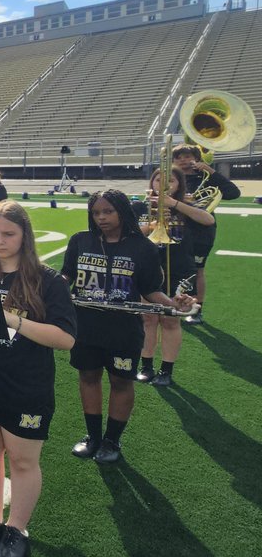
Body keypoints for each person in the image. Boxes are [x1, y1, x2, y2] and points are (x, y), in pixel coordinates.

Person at [0, 201, 77, 557]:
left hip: (26, 385)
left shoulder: (48, 280)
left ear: (25, 236)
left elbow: (65, 338)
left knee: (23, 460)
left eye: (8, 234)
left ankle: (17, 527)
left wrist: (11, 320)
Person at [61, 190, 193, 464]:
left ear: (122, 211)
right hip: (84, 326)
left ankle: (112, 440)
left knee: (121, 381)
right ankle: (93, 437)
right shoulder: (79, 240)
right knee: (88, 377)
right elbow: (67, 276)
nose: (101, 218)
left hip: (123, 331)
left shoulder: (142, 247)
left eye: (108, 211)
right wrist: (45, 284)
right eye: (96, 213)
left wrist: (174, 304)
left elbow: (150, 290)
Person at [133, 167, 213, 386]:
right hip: (148, 269)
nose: (164, 184)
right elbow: (128, 236)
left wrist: (174, 204)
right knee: (148, 319)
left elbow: (208, 220)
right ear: (152, 182)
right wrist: (151, 226)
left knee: (170, 320)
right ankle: (146, 365)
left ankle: (166, 370)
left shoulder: (186, 206)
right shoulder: (141, 205)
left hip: (178, 270)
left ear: (180, 184)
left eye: (171, 181)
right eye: (159, 179)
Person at [172, 145, 240, 324]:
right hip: (175, 228)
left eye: (187, 156)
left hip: (201, 231)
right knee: (172, 267)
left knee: (197, 270)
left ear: (197, 159)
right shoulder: (170, 178)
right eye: (178, 157)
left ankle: (197, 309)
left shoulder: (207, 178)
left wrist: (211, 171)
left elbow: (234, 193)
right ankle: (174, 304)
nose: (182, 160)